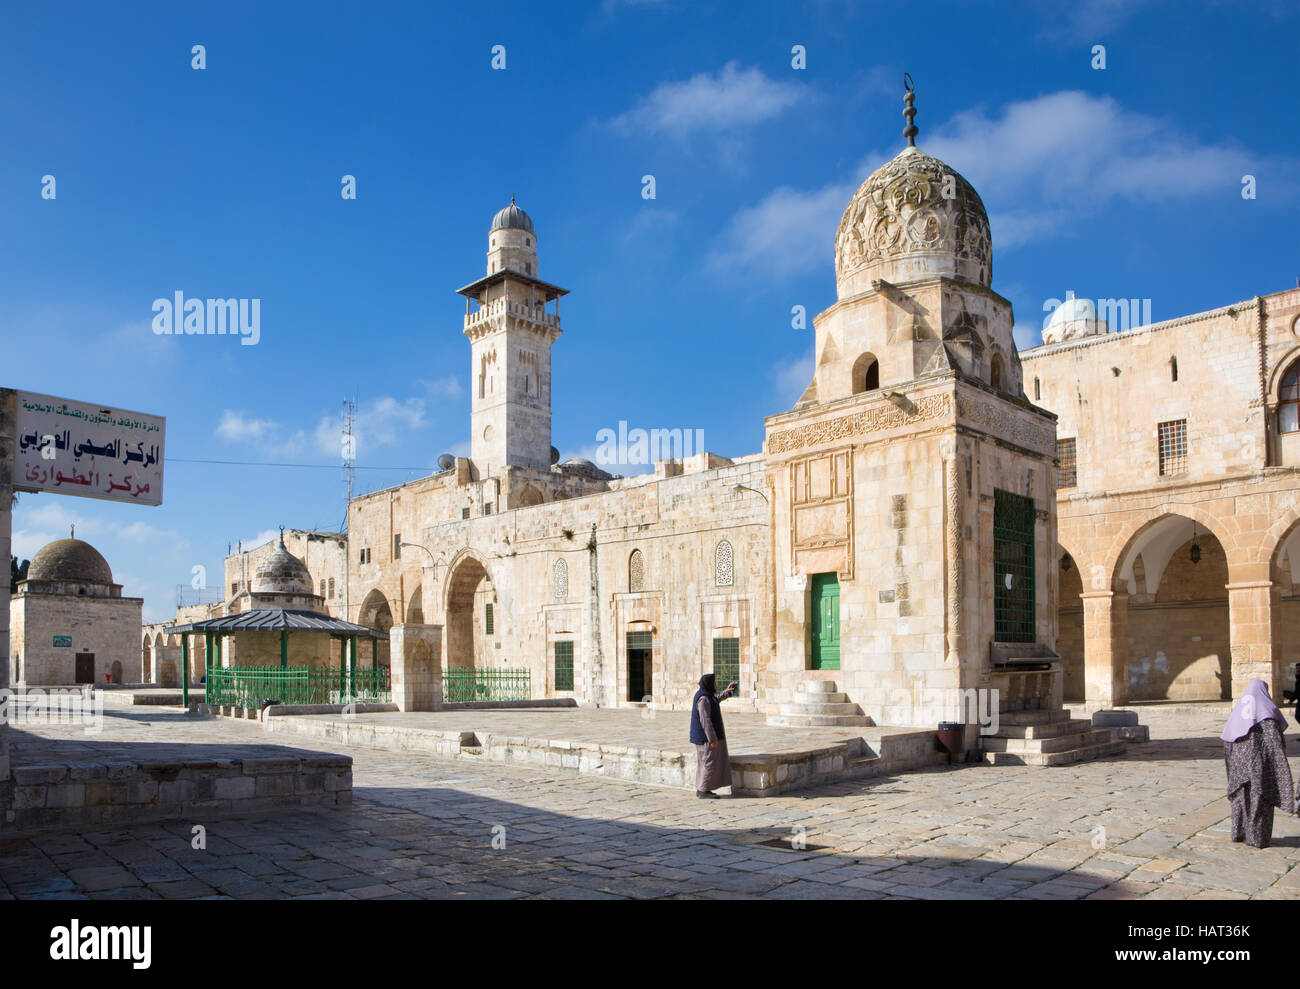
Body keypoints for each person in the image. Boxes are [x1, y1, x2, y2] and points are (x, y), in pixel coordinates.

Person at [1222, 679, 1295, 848]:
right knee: (1259, 802)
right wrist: (1280, 772)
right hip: (1260, 767)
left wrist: (1231, 768)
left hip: (1239, 767)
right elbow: (1275, 742)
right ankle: (1256, 838)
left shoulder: (1237, 713)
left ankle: (1238, 833)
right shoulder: (1267, 713)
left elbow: (1227, 742)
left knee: (1240, 800)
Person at [690, 673, 738, 799]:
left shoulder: (706, 695)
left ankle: (702, 788)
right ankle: (703, 791)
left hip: (703, 738)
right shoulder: (703, 698)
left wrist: (727, 692)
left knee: (705, 762)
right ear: (709, 684)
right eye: (714, 682)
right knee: (709, 763)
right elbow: (705, 720)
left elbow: (715, 700)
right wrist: (712, 739)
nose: (715, 684)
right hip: (705, 739)